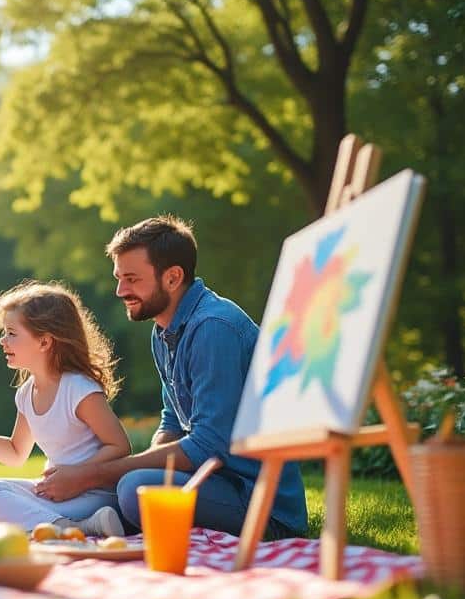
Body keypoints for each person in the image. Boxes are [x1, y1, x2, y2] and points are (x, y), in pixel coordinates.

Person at [33, 216, 308, 539]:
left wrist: (92, 475)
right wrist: (120, 471)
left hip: (259, 500)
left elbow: (207, 445)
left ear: (173, 277)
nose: (121, 290)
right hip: (214, 483)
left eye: (132, 279)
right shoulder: (164, 330)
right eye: (119, 278)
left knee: (135, 487)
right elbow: (172, 422)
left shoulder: (213, 328)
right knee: (129, 485)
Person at [0, 281, 129, 537]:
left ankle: (58, 526)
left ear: (45, 342)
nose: (3, 340)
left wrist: (76, 475)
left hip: (96, 495)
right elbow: (16, 453)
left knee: (1, 505)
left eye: (12, 333)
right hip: (57, 492)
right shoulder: (26, 393)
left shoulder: (78, 388)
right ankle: (73, 528)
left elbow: (120, 446)